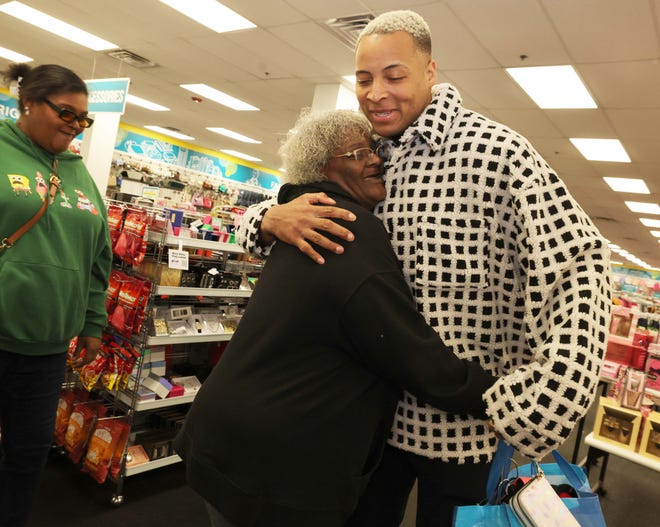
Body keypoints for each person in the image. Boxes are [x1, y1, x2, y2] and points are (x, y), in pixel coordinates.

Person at [235, 10, 612, 527]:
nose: (376, 93)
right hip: (369, 421)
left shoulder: (498, 155)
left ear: (430, 72)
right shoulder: (365, 155)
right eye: (364, 79)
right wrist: (267, 217)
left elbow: (581, 262)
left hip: (466, 433)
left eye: (395, 75)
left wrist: (550, 392)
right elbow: (293, 197)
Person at [174, 109, 496, 527]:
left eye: (376, 149)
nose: (377, 159)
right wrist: (493, 395)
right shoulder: (345, 228)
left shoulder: (302, 216)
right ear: (322, 166)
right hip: (274, 462)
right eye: (359, 153)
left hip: (230, 435)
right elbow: (405, 349)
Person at [0, 63, 111, 527]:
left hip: (46, 352)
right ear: (28, 102)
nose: (75, 125)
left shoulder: (79, 173)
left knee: (27, 459)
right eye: (66, 112)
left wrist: (92, 322)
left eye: (83, 118)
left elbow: (98, 256)